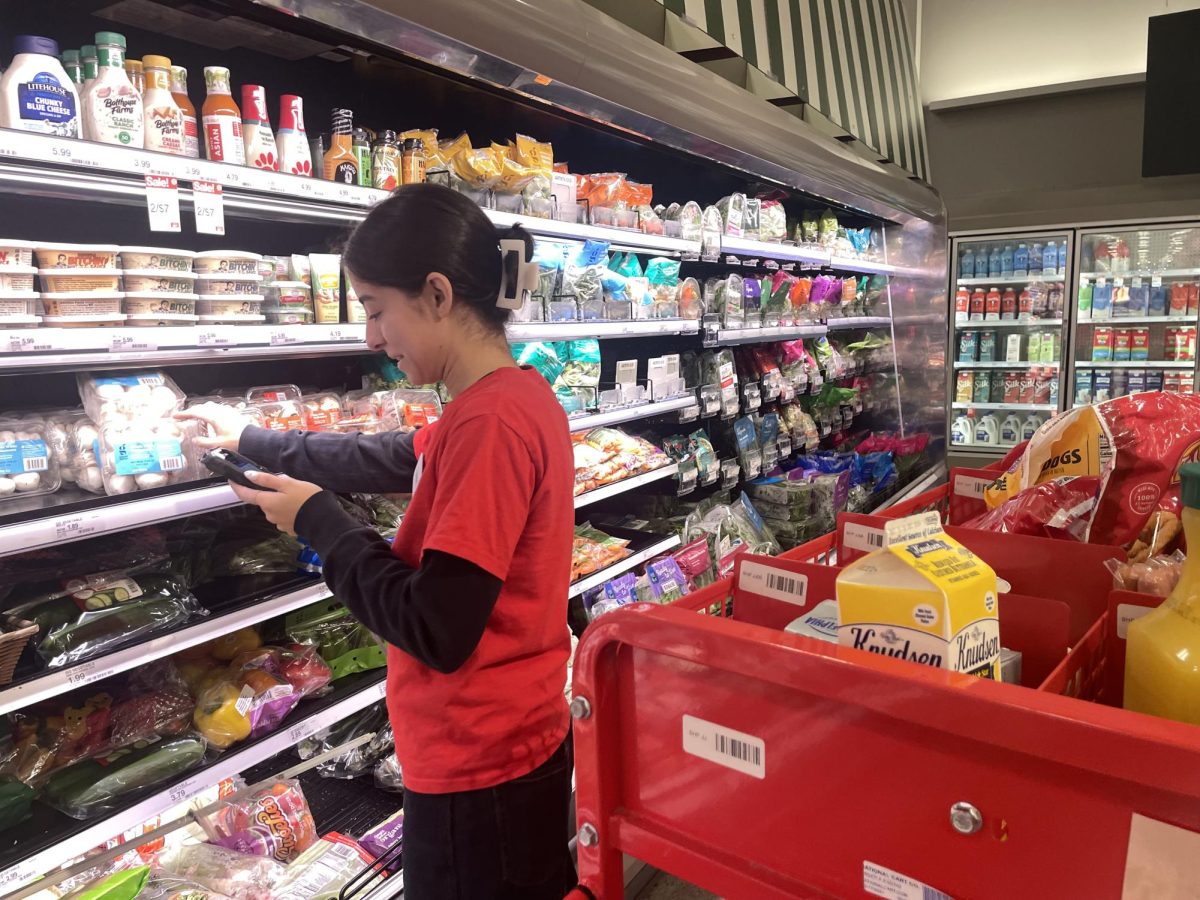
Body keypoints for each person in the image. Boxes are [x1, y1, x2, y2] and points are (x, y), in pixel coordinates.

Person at [181, 184, 576, 899]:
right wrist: (250, 438)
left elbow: (438, 626)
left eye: (373, 309)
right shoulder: (508, 399)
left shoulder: (489, 426)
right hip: (509, 742)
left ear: (435, 293)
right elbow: (392, 456)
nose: (370, 337)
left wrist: (322, 524)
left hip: (479, 764)